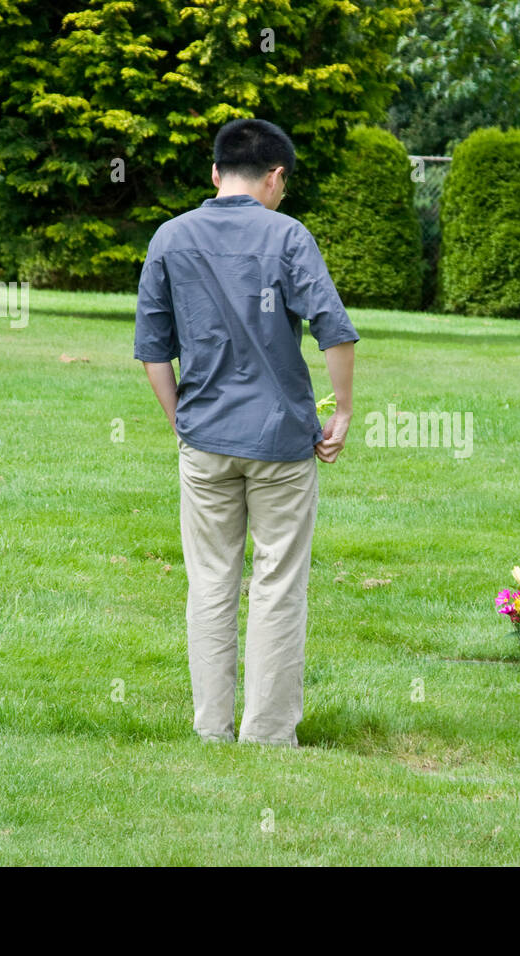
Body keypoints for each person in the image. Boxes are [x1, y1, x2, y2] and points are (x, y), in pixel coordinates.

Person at [133, 117, 358, 748]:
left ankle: (212, 729)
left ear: (215, 172)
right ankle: (267, 734)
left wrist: (180, 420)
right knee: (277, 583)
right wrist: (340, 410)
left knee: (210, 582)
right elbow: (333, 330)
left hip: (205, 438)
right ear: (276, 176)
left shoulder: (171, 238)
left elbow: (153, 350)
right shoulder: (288, 236)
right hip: (282, 440)